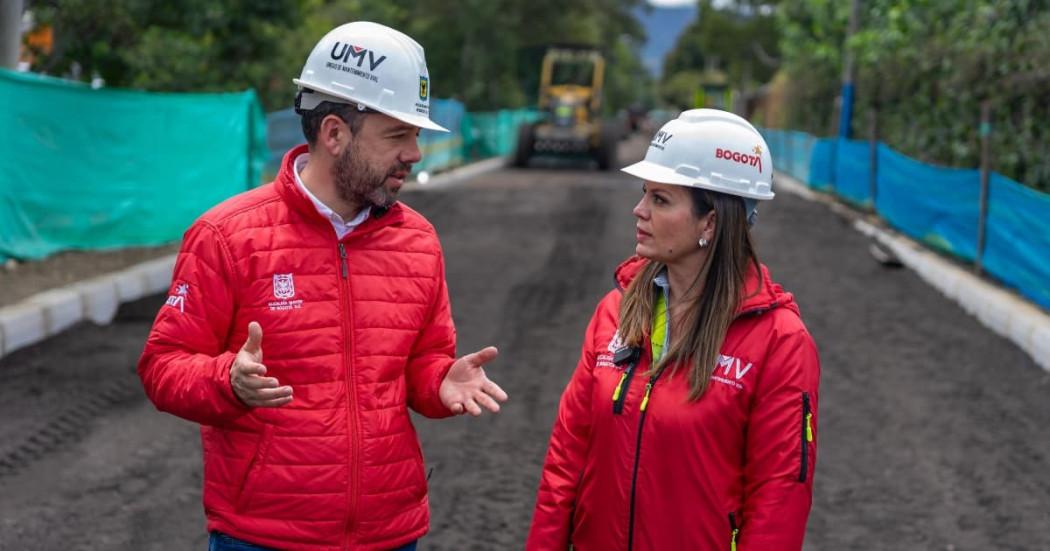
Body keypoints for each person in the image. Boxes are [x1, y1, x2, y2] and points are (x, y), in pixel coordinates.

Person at [138, 22, 508, 551]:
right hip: (262, 537)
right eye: (397, 135)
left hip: (390, 533)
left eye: (416, 136)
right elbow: (162, 364)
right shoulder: (226, 236)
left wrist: (439, 382)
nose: (415, 154)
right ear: (334, 134)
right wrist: (228, 381)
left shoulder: (419, 241)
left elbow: (421, 362)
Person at [527, 109, 821, 550]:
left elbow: (780, 498)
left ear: (712, 221)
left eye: (660, 199)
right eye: (645, 194)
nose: (638, 210)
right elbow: (566, 459)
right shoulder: (615, 313)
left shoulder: (780, 342)